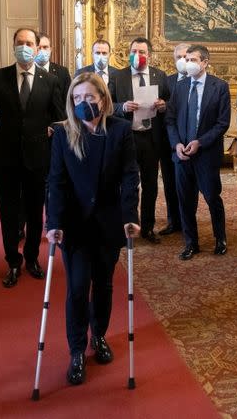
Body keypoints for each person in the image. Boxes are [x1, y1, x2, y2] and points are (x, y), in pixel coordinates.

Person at [46, 73, 140, 386]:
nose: (84, 103)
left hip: (109, 221)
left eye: (90, 97)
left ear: (102, 99)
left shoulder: (121, 130)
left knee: (103, 285)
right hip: (74, 224)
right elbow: (56, 181)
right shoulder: (63, 134)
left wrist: (130, 214)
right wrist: (54, 222)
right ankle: (76, 349)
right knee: (76, 287)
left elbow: (129, 175)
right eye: (78, 99)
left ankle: (98, 336)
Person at [0, 28, 66, 288]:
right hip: (5, 155)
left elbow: (59, 119)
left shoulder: (50, 80)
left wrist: (59, 151)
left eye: (29, 43)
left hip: (39, 155)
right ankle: (12, 261)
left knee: (36, 210)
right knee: (8, 211)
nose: (24, 47)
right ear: (13, 45)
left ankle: (32, 258)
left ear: (37, 48)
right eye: (19, 43)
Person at [166, 44, 231, 260]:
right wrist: (176, 144)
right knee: (185, 201)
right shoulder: (180, 86)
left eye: (193, 59)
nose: (188, 63)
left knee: (212, 197)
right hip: (182, 154)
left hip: (206, 154)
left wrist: (200, 143)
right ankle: (191, 242)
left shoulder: (219, 86)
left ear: (204, 62)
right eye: (187, 59)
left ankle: (220, 238)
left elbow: (222, 124)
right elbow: (171, 119)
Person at [109, 37, 171, 243]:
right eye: (134, 51)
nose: (138, 55)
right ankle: (129, 225)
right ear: (129, 53)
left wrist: (164, 105)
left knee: (151, 185)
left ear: (149, 55)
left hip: (152, 139)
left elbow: (170, 103)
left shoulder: (160, 76)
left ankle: (147, 227)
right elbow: (107, 105)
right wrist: (122, 107)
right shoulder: (118, 76)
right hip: (128, 138)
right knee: (128, 184)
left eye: (142, 51)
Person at [157, 42, 192, 237]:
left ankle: (189, 220)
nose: (182, 60)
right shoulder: (166, 81)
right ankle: (173, 221)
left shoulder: (198, 79)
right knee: (170, 183)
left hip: (191, 140)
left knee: (190, 186)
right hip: (169, 141)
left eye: (186, 56)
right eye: (178, 57)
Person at [34, 32, 72, 99]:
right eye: (39, 48)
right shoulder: (26, 72)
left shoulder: (62, 72)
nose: (42, 51)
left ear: (50, 49)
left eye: (45, 47)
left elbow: (68, 100)